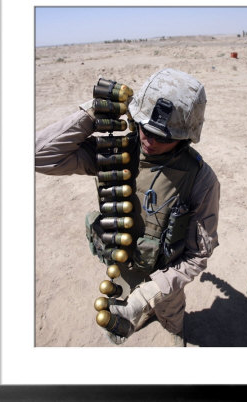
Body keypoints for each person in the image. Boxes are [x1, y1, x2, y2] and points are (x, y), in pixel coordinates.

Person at [35, 68, 220, 346]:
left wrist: (147, 296)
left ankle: (173, 329)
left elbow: (197, 256)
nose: (150, 140)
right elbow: (41, 156)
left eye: (164, 136)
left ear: (185, 136)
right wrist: (95, 112)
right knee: (120, 316)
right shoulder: (117, 150)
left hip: (166, 278)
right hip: (122, 266)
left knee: (171, 316)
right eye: (146, 127)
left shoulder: (200, 179)